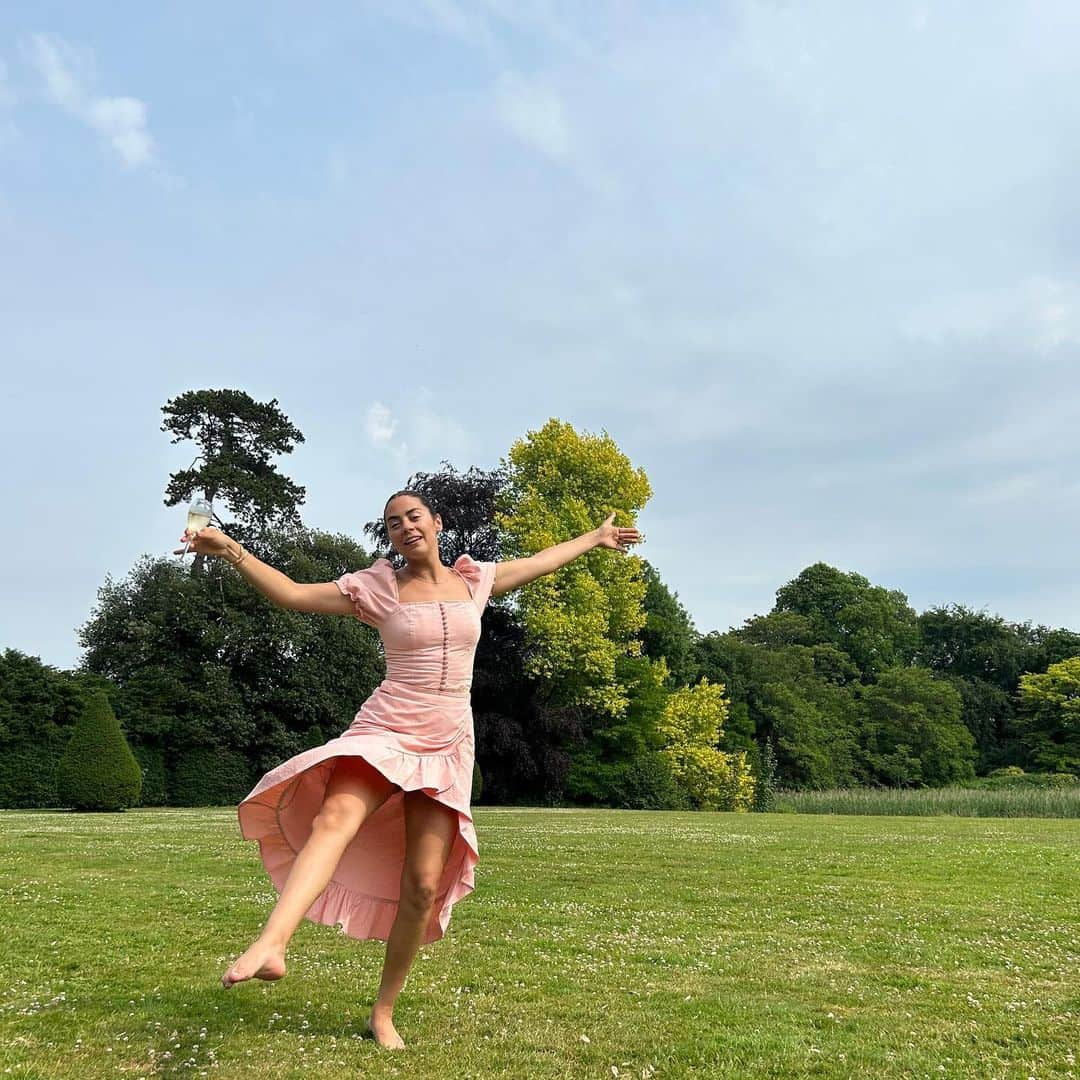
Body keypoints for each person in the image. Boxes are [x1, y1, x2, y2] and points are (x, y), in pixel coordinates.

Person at [175, 491, 641, 1049]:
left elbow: (537, 563)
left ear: (437, 523)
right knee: (335, 817)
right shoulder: (378, 589)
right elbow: (295, 595)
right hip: (388, 727)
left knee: (421, 886)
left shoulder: (474, 580)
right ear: (390, 536)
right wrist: (228, 548)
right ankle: (272, 943)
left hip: (447, 743)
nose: (405, 527)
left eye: (413, 517)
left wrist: (595, 538)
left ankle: (383, 1013)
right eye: (393, 523)